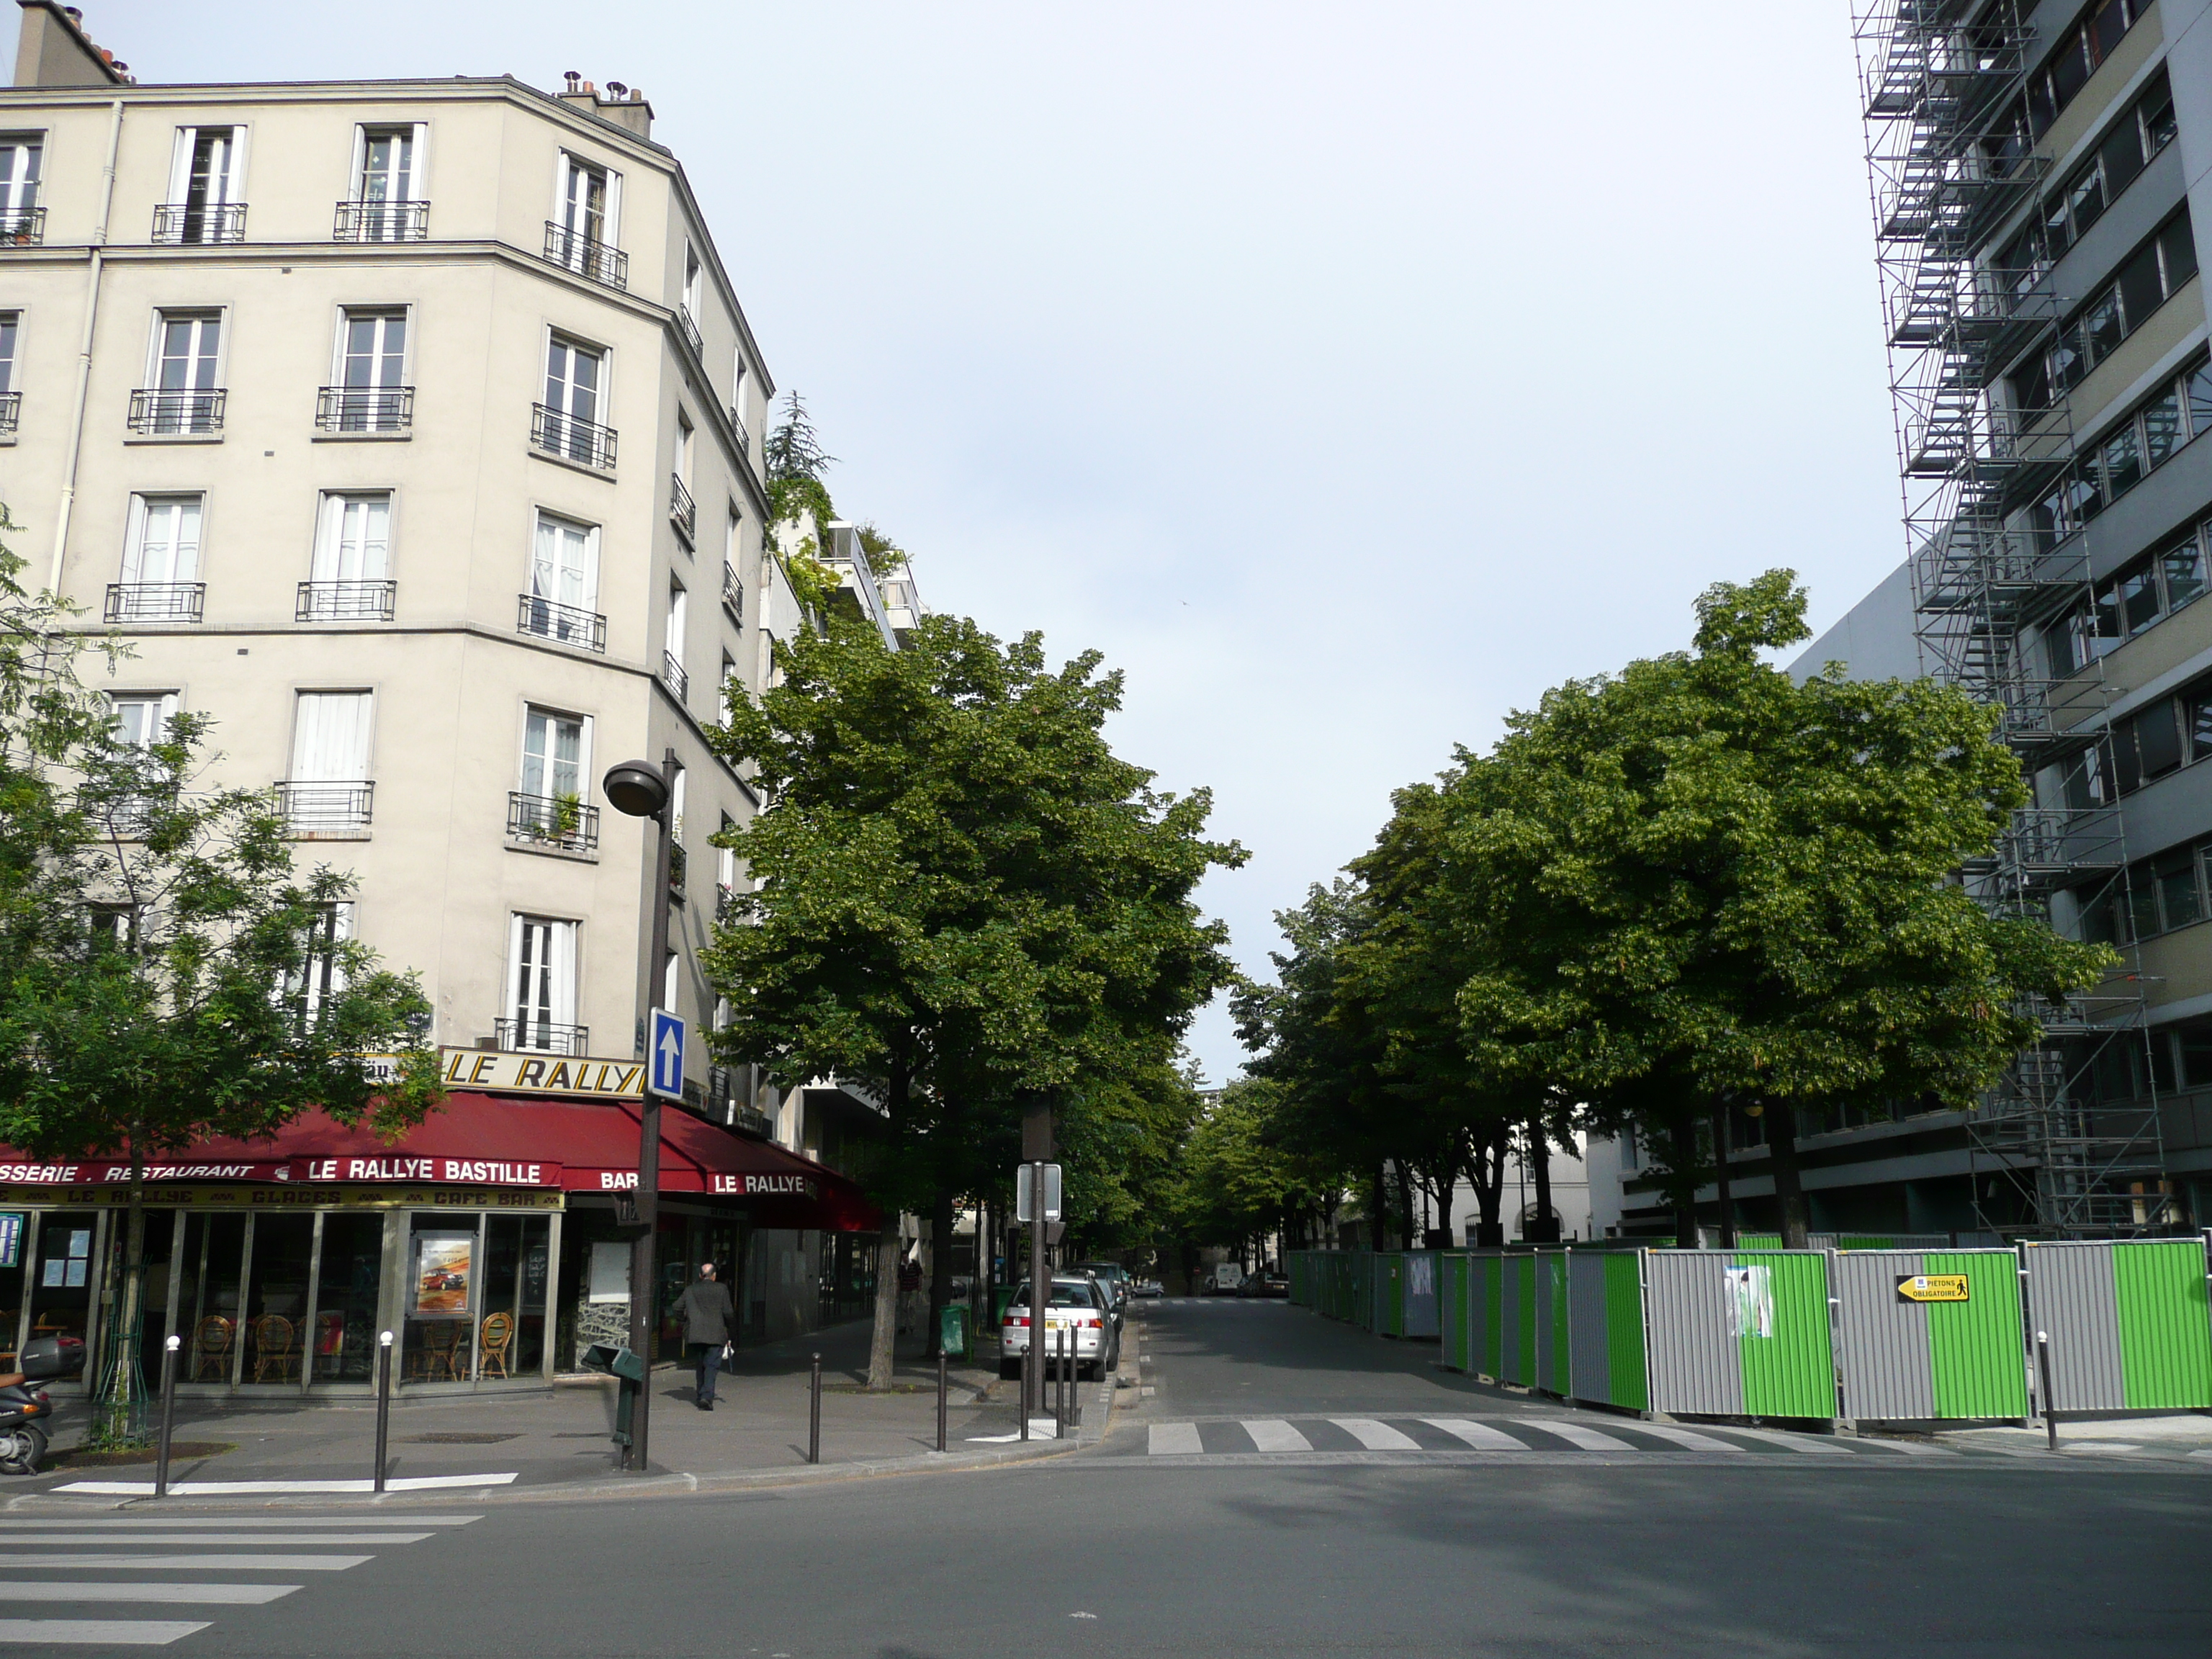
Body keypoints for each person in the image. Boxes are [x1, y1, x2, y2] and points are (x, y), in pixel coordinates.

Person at [670, 1262, 734, 1410]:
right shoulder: (722, 1289)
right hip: (715, 1334)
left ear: (700, 1275)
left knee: (701, 1365)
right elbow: (728, 1312)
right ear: (714, 1276)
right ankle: (706, 1396)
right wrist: (729, 1326)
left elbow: (676, 1307)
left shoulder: (690, 1289)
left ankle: (701, 1393)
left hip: (695, 1334)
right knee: (712, 1366)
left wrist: (684, 1321)